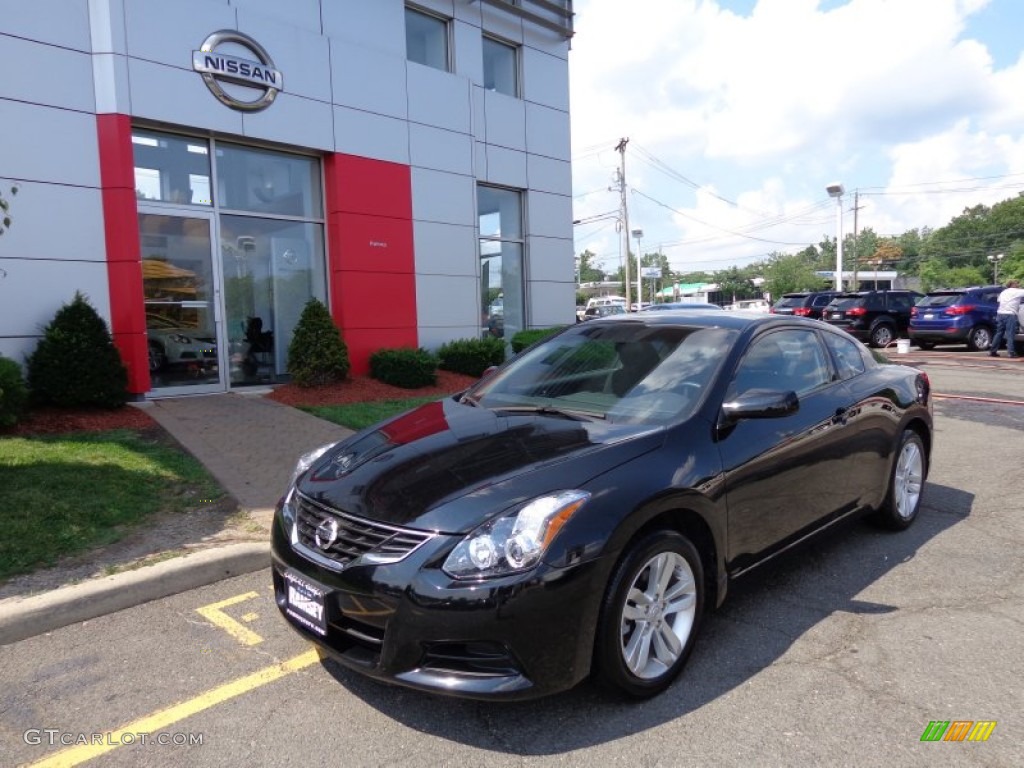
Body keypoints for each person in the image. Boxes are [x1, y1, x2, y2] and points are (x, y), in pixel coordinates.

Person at [989, 278, 1024, 358]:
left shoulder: (1003, 292)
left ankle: (993, 351)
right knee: (1010, 334)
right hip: (1010, 314)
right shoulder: (1017, 291)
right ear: (1013, 284)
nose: (1019, 285)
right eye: (1017, 283)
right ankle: (1011, 352)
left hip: (1000, 313)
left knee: (999, 333)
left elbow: (999, 301)